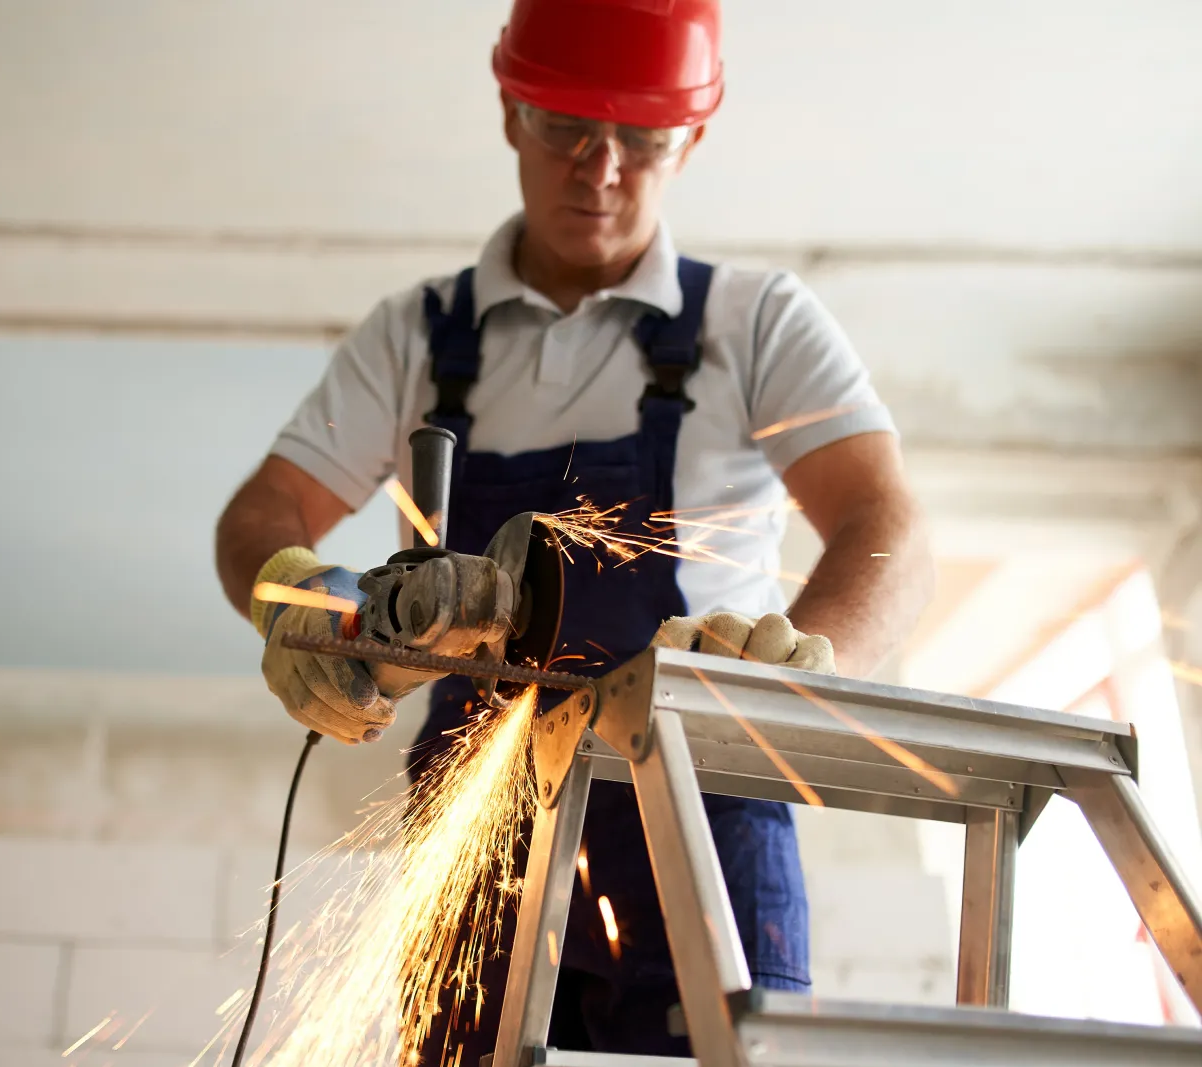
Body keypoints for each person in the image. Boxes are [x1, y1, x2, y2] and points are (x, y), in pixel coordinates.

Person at [214, 0, 934, 1058]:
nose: (600, 169)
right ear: (511, 110)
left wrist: (810, 661)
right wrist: (301, 594)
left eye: (640, 139)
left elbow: (888, 525)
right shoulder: (416, 337)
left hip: (702, 806)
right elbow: (259, 513)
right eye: (566, 127)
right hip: (477, 815)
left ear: (691, 136)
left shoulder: (757, 322)